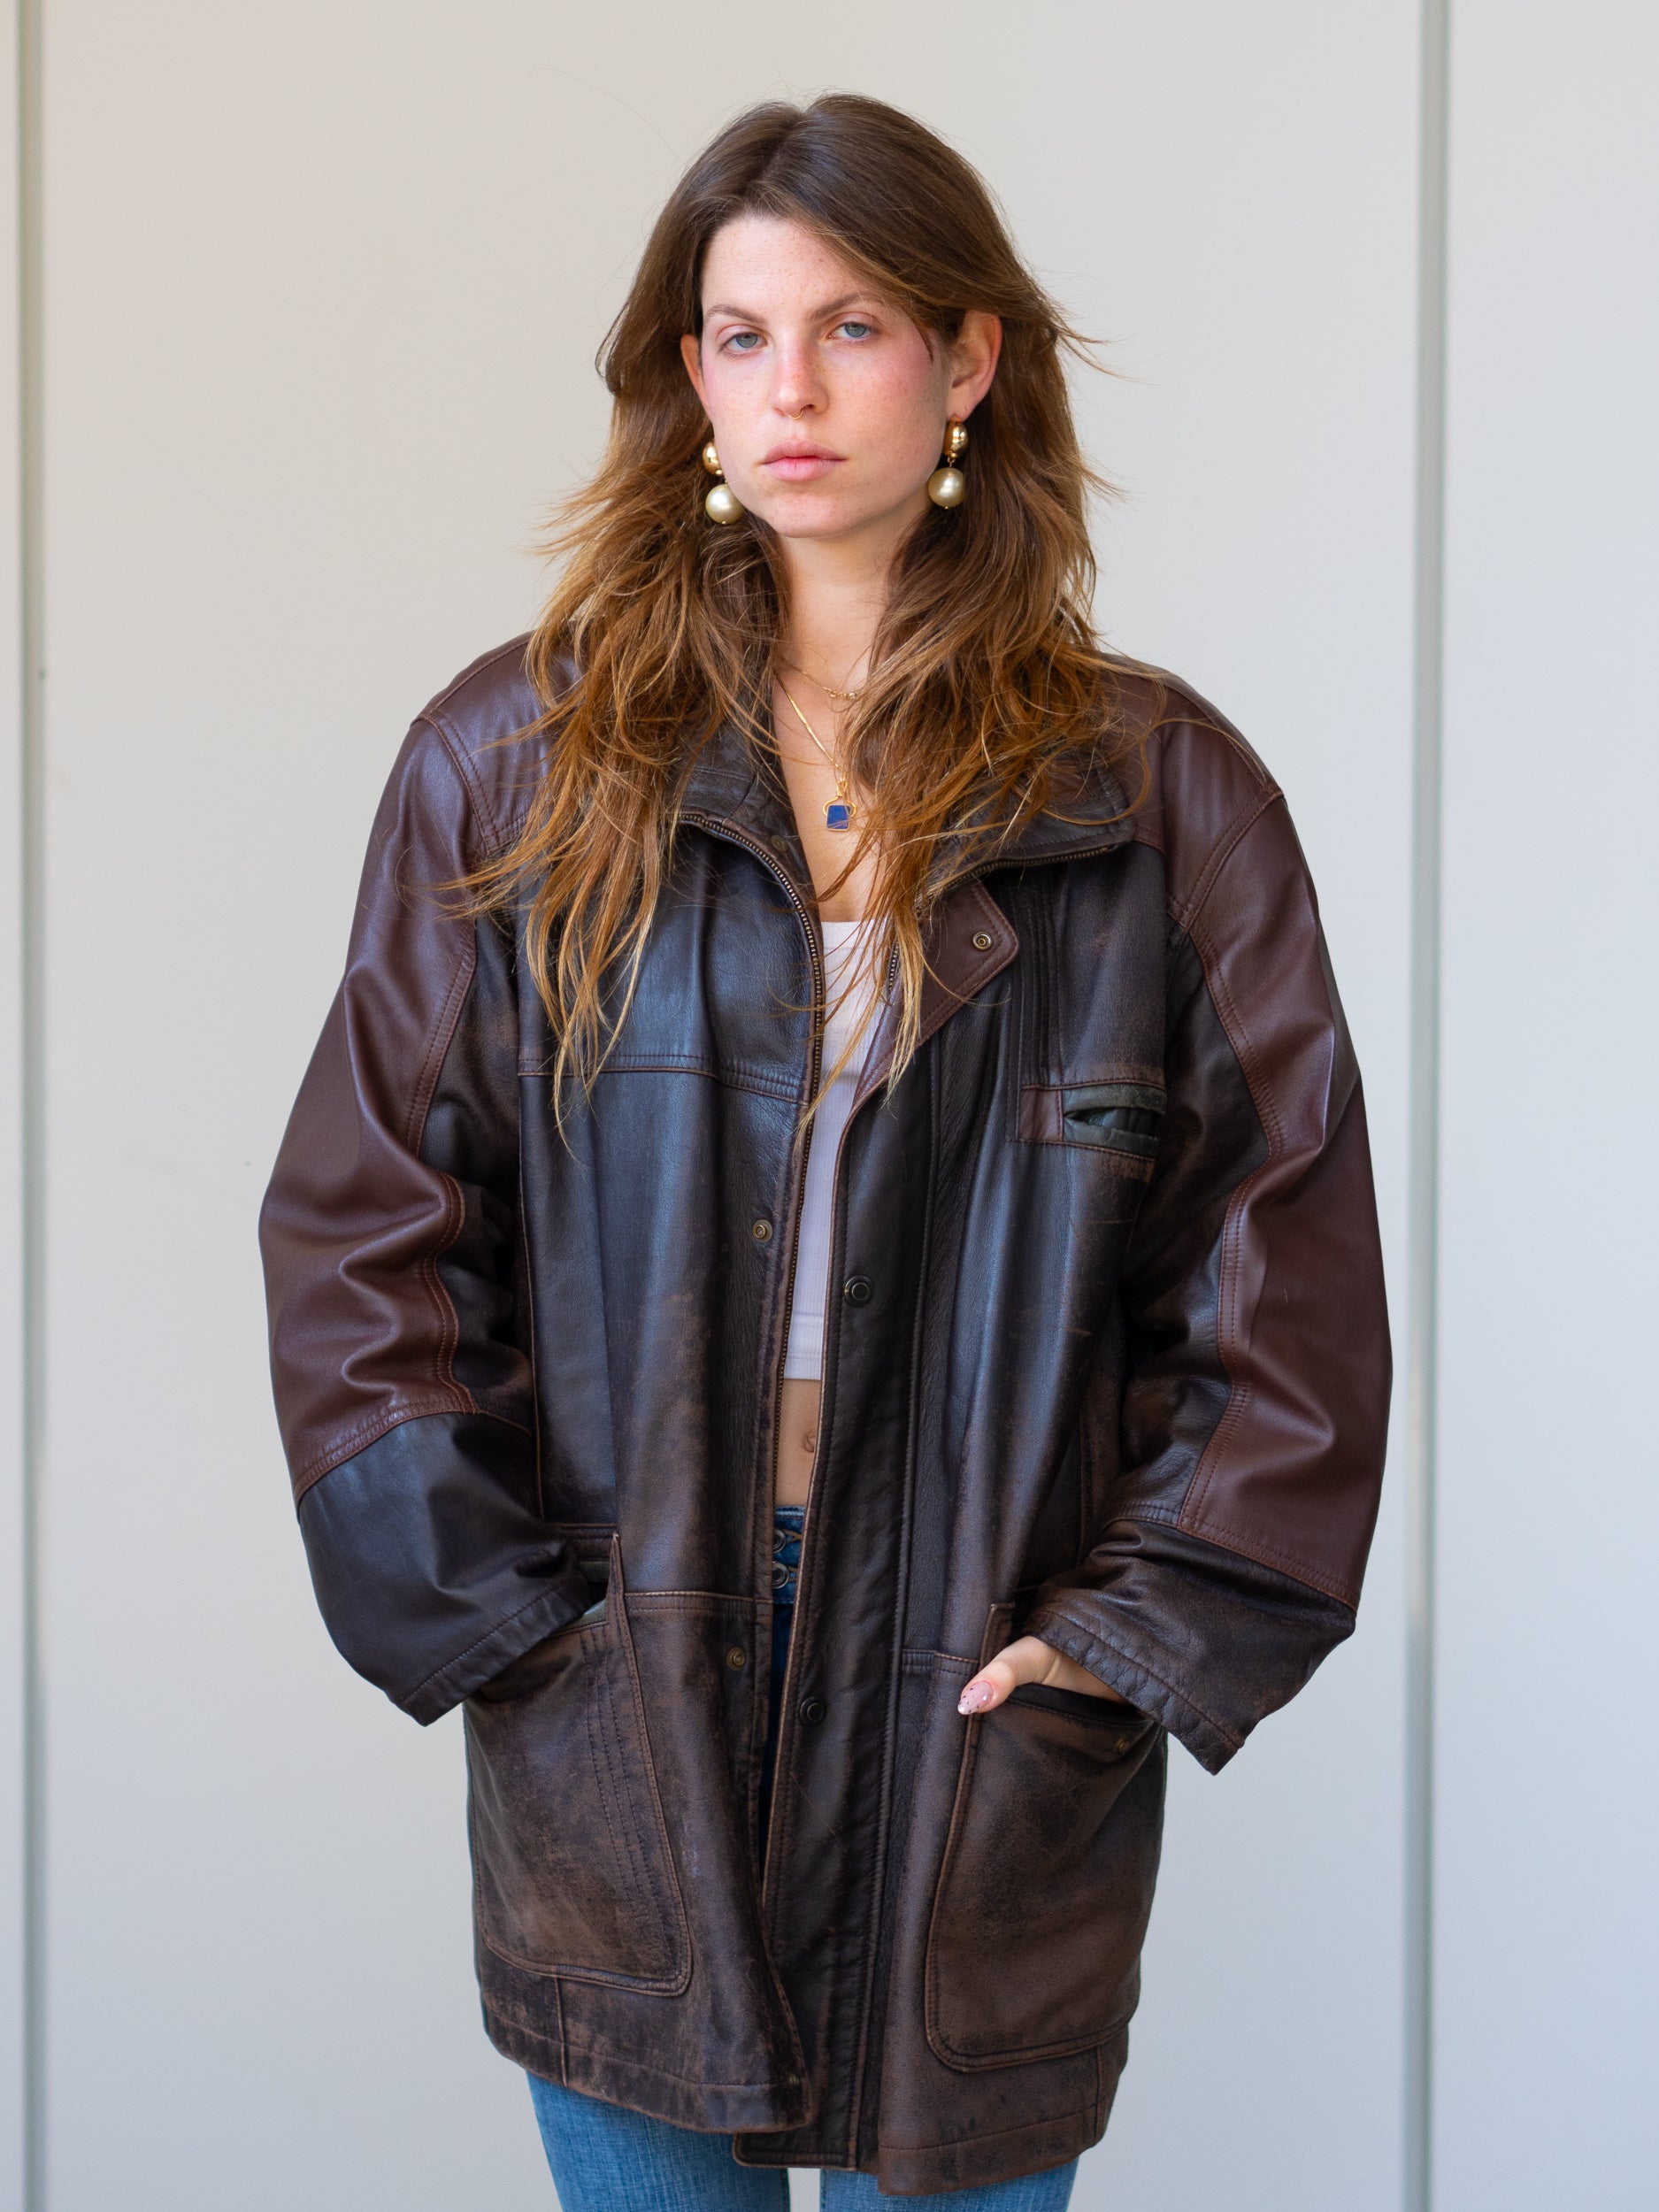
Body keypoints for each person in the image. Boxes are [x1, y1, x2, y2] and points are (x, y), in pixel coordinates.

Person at [258, 92, 1391, 2208]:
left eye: (851, 326)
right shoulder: (514, 764)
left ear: (965, 359)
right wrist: (513, 1629)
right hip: (626, 1680)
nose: (788, 389)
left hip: (975, 1682)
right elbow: (366, 1234)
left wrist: (1124, 1639)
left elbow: (1280, 1277)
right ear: (686, 374)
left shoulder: (1159, 798)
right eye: (739, 334)